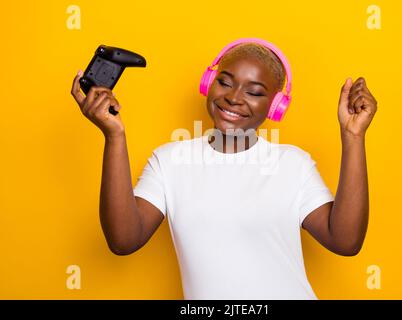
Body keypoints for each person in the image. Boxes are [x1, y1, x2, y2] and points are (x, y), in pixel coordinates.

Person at [70, 38, 378, 300]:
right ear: (208, 82)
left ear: (275, 106)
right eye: (225, 82)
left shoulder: (292, 164)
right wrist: (114, 135)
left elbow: (345, 241)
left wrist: (353, 136)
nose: (233, 97)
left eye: (254, 92)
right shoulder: (170, 161)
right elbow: (123, 240)